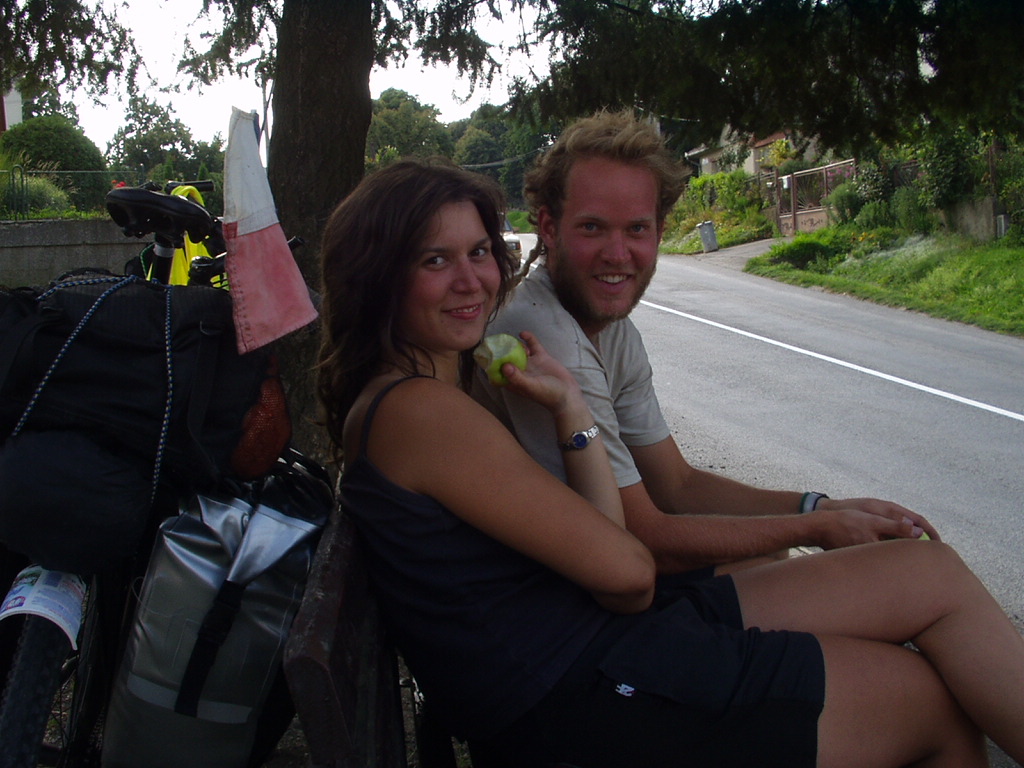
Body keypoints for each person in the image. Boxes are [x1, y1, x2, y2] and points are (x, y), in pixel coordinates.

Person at [317, 157, 1024, 767]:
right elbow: (627, 573)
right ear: (381, 276)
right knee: (930, 704)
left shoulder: (437, 392)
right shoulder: (420, 413)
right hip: (580, 692)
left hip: (598, 644)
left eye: (478, 252)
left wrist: (571, 411)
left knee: (926, 572)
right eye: (435, 260)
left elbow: (618, 554)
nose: (471, 280)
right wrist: (804, 524)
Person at [473, 110, 938, 575]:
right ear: (549, 228)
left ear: (659, 231)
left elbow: (678, 485)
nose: (617, 254)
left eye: (637, 228)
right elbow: (640, 538)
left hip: (580, 571)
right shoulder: (545, 338)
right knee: (798, 566)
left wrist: (819, 507)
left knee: (766, 555)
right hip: (533, 587)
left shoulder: (613, 331)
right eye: (592, 227)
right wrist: (816, 529)